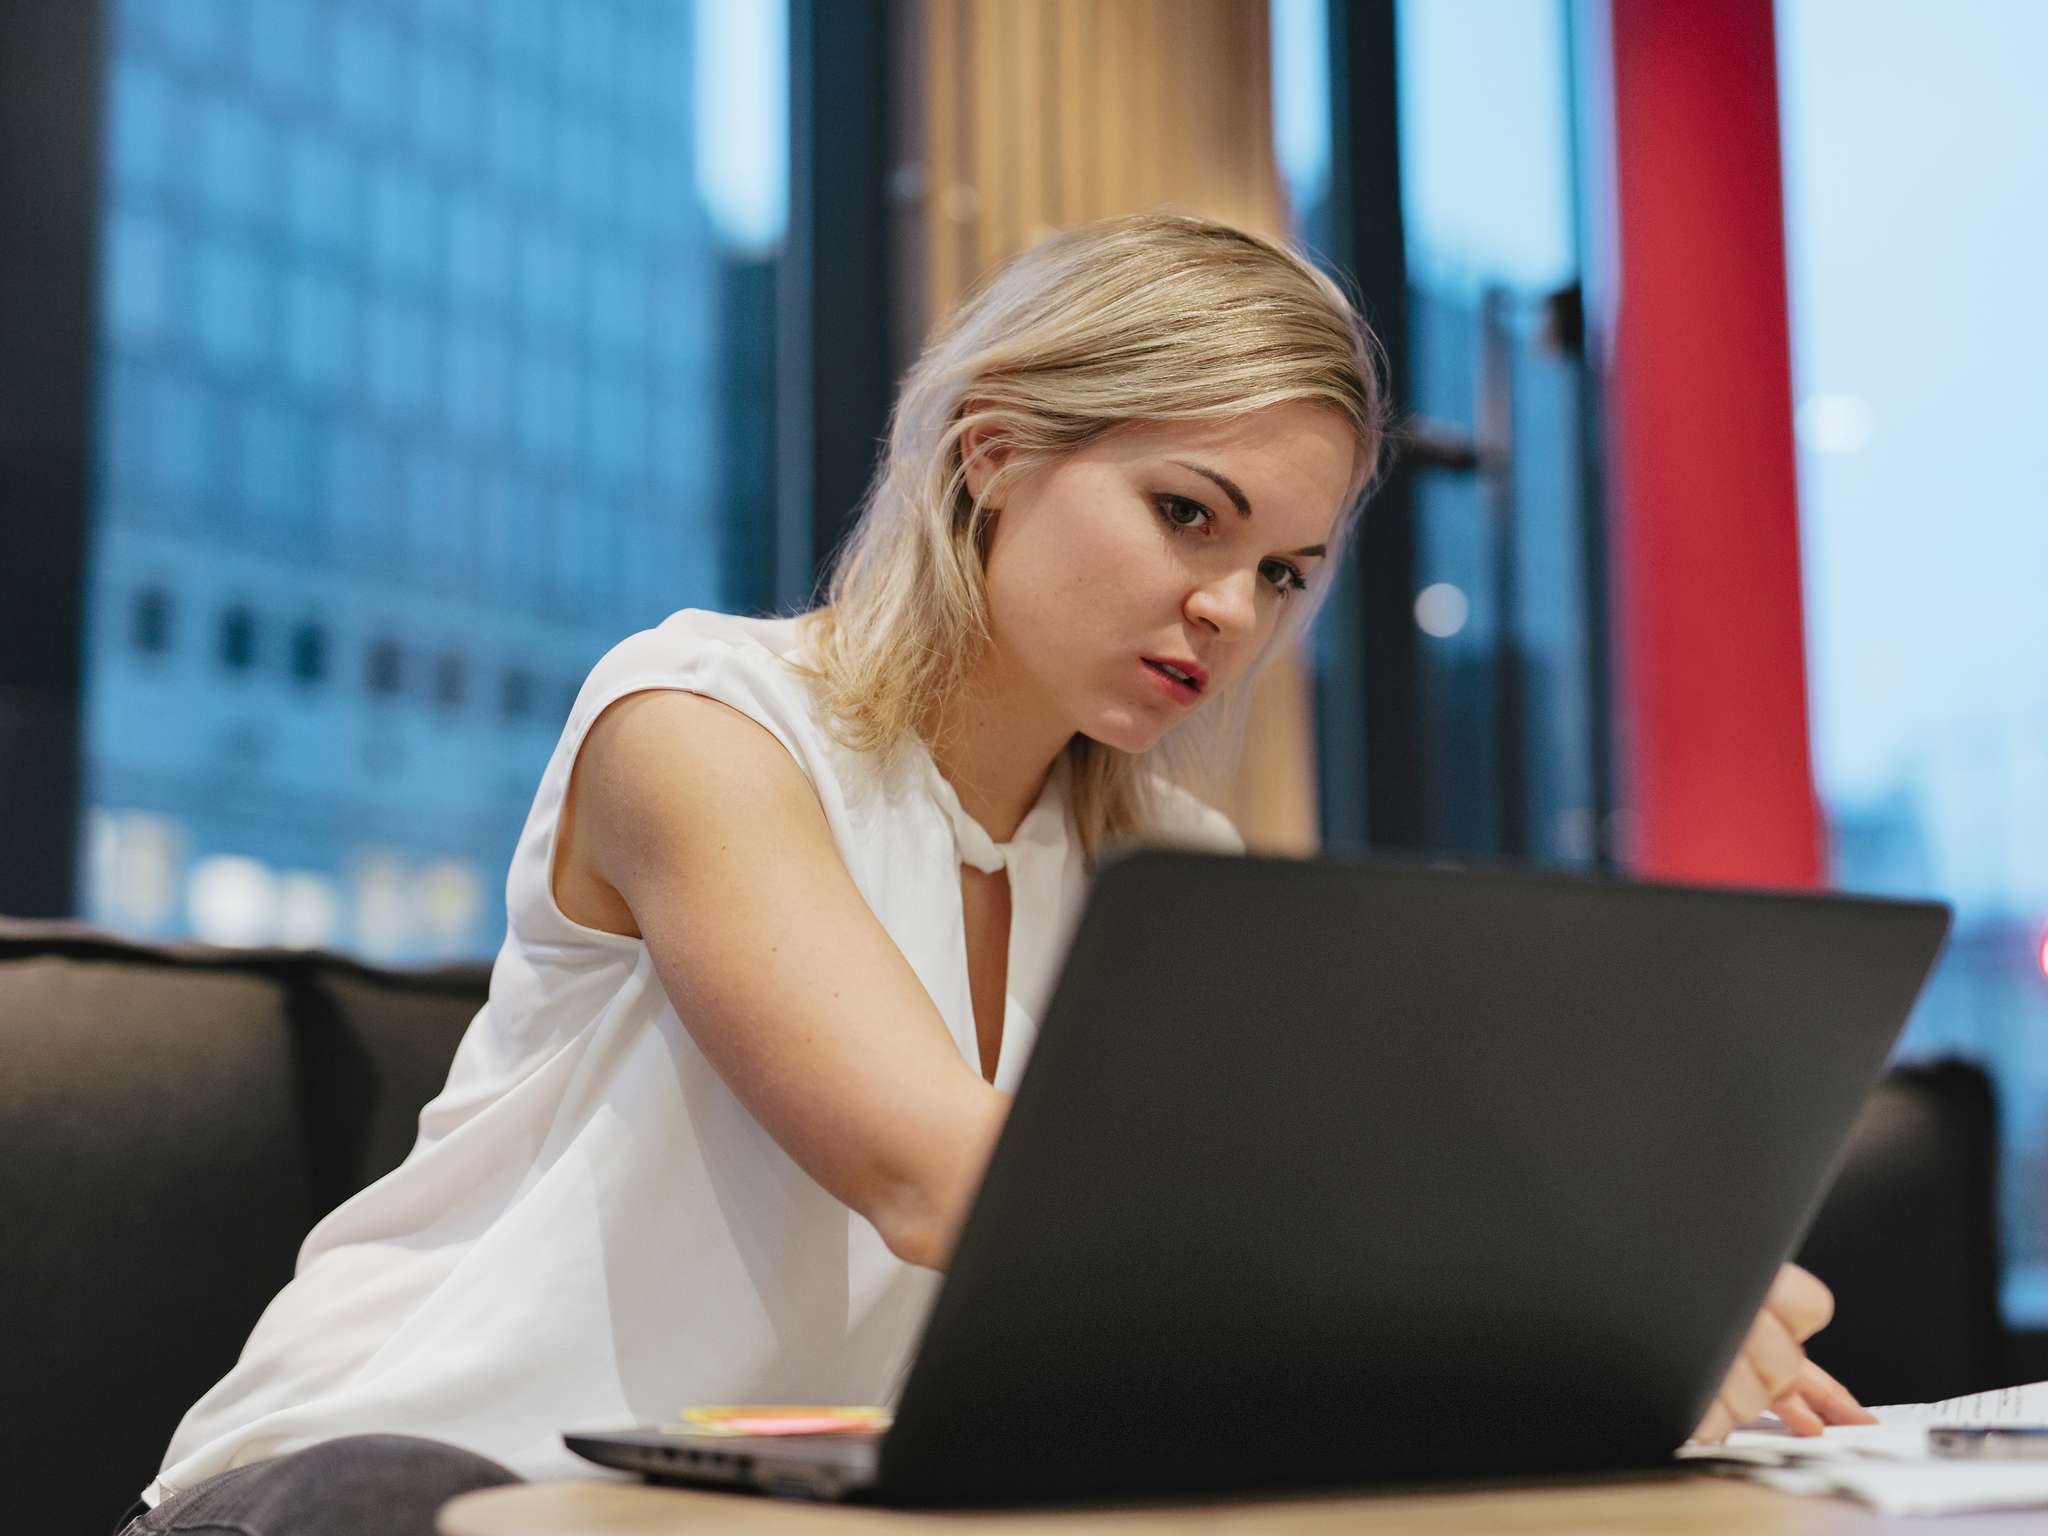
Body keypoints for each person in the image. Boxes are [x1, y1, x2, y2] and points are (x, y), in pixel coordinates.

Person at [118, 212, 1872, 1536]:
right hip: (376, 1486)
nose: (1230, 609)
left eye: (1284, 571)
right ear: (994, 458)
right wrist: (1525, 1285)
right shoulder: (701, 724)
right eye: (1188, 513)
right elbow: (937, 1179)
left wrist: (1624, 1311)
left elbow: (1210, 1287)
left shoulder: (1174, 871)